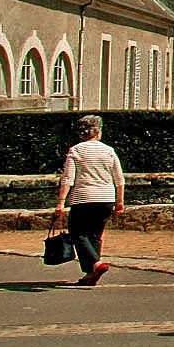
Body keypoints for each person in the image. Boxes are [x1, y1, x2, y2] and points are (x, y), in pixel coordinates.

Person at [55, 114, 124, 287]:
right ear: (98, 132)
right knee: (95, 235)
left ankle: (96, 264)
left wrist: (61, 202)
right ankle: (90, 274)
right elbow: (119, 178)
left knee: (78, 233)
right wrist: (120, 201)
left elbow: (68, 179)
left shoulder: (76, 150)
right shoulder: (109, 150)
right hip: (106, 197)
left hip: (83, 198)